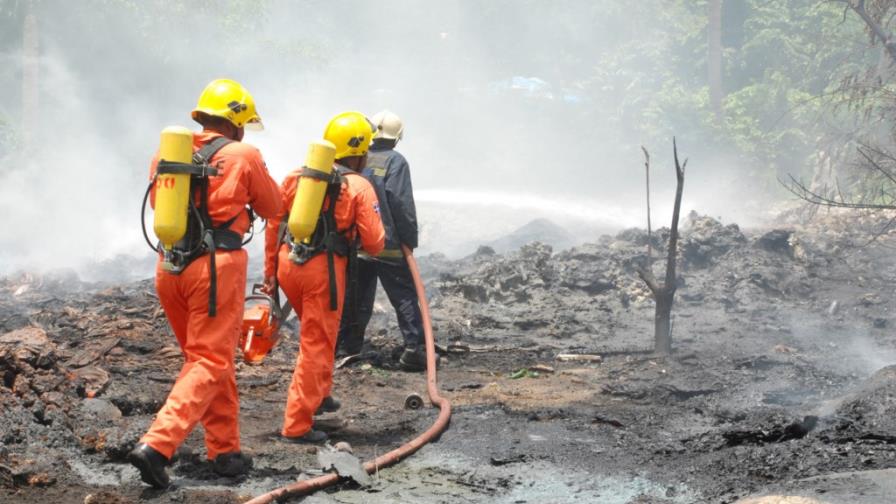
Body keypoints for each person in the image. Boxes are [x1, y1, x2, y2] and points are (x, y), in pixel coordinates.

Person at [129, 78, 282, 488]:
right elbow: (274, 206)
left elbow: (163, 204)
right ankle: (157, 446)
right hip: (215, 270)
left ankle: (225, 453)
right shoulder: (243, 154)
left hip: (170, 266)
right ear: (235, 122)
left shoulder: (169, 152)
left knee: (208, 361)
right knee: (210, 361)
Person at [263, 111, 385, 443]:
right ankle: (297, 423)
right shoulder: (359, 185)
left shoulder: (295, 177)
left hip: (289, 264)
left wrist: (270, 275)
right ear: (358, 152)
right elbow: (374, 242)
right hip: (324, 272)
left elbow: (275, 224)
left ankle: (320, 393)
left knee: (320, 334)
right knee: (316, 343)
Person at [335, 110, 426, 371]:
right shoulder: (396, 162)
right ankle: (414, 349)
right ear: (397, 138)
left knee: (357, 297)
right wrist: (409, 239)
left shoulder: (356, 159)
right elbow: (400, 202)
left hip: (359, 242)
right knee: (404, 296)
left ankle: (347, 346)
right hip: (389, 244)